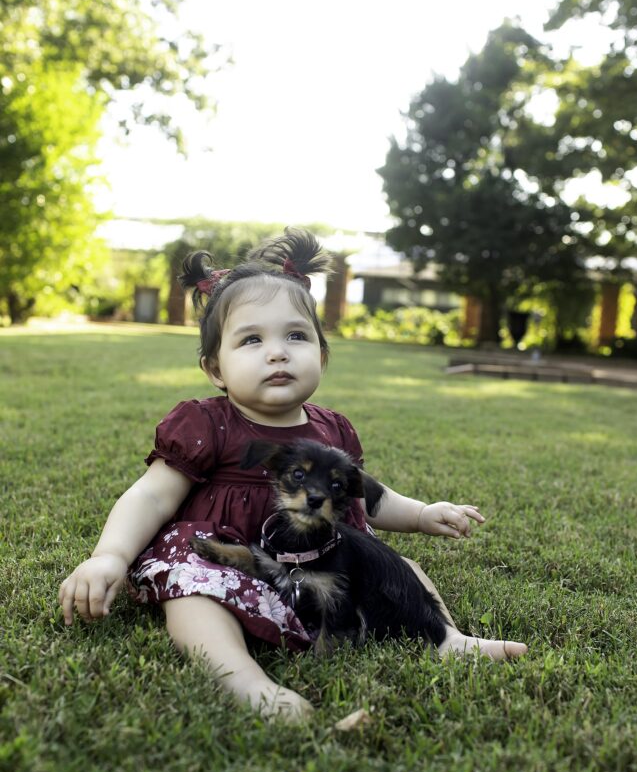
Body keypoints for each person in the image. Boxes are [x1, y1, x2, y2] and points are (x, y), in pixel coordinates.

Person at [59, 228, 527, 721]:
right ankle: (244, 680)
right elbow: (152, 497)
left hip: (320, 568)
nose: (277, 352)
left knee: (401, 568)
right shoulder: (206, 423)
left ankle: (448, 638)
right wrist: (109, 556)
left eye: (296, 336)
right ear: (215, 368)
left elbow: (367, 497)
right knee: (194, 596)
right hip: (227, 564)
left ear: (321, 357)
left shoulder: (332, 429)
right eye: (252, 339)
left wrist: (422, 513)